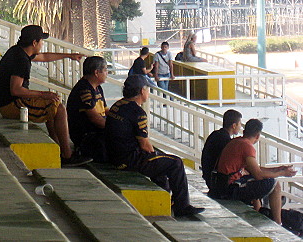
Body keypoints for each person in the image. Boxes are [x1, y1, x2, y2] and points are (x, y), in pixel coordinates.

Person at [105, 75, 205, 217]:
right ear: (141, 91)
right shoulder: (138, 113)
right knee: (175, 163)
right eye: (147, 89)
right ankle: (182, 206)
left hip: (115, 156)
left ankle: (165, 195)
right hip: (128, 160)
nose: (148, 92)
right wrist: (155, 155)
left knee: (160, 159)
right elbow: (145, 144)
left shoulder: (118, 105)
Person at [0, 25, 91, 167]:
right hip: (11, 105)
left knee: (52, 106)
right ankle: (67, 155)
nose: (42, 44)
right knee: (59, 109)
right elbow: (16, 90)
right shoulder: (21, 60)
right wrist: (43, 94)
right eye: (41, 41)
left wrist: (69, 56)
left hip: (10, 102)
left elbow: (44, 57)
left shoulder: (18, 51)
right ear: (34, 43)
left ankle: (59, 149)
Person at [216, 119, 296, 224]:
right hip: (229, 188)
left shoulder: (237, 142)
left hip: (222, 184)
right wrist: (282, 173)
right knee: (274, 183)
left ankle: (261, 212)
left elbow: (254, 169)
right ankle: (277, 222)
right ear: (258, 136)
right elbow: (258, 174)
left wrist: (278, 169)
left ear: (244, 132)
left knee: (256, 181)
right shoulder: (247, 146)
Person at [67, 56, 108, 162]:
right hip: (87, 135)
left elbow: (106, 110)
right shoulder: (84, 89)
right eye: (105, 70)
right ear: (96, 73)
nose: (107, 73)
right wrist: (114, 127)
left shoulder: (97, 87)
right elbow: (94, 118)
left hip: (98, 131)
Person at [201, 109, 242, 192]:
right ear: (234, 125)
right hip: (217, 182)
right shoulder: (227, 141)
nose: (240, 126)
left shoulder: (215, 134)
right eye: (240, 124)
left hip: (209, 177)